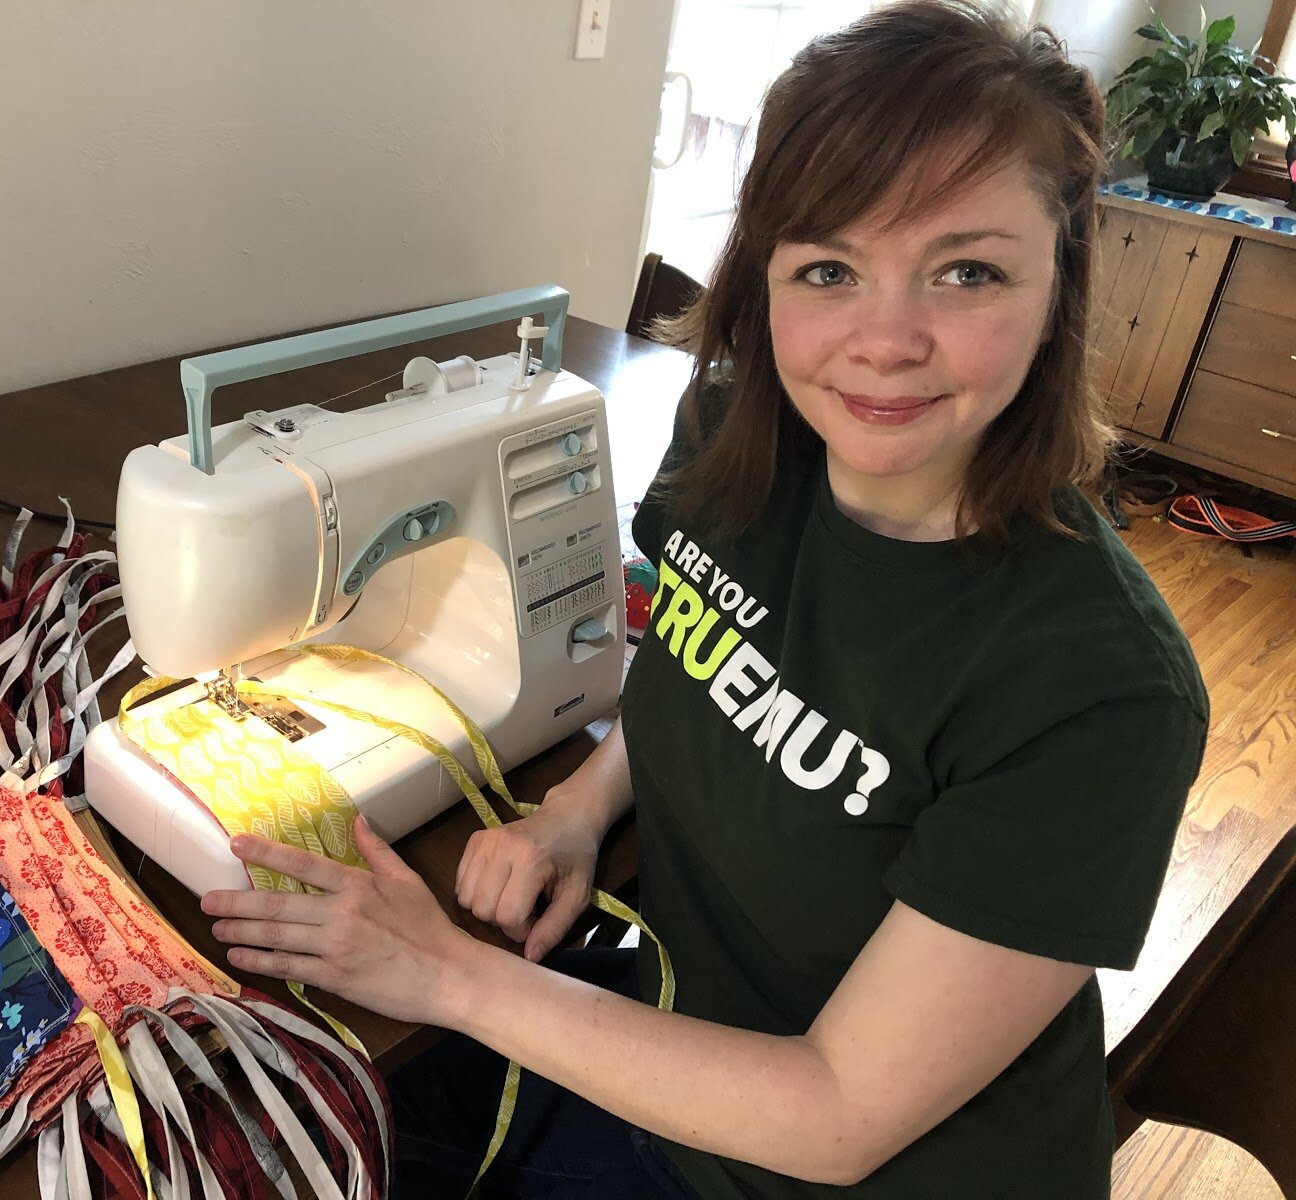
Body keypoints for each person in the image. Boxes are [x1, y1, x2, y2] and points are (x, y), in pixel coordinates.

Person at [199, 2, 1209, 1196]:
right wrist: (576, 807)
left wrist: (444, 978)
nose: (885, 341)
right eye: (828, 269)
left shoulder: (1096, 693)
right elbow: (702, 666)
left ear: (1061, 282)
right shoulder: (733, 439)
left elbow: (837, 1110)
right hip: (659, 1016)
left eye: (966, 272)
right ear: (764, 275)